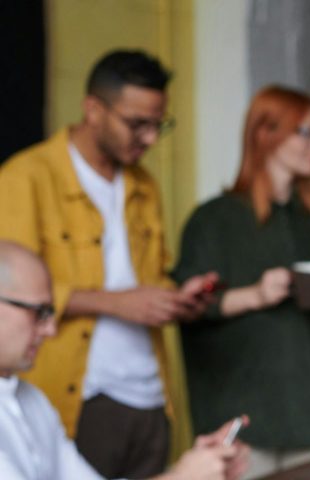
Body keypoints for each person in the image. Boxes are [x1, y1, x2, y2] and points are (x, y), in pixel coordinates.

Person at [0, 49, 219, 478]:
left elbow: (148, 278)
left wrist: (175, 301)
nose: (151, 138)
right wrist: (117, 303)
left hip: (150, 393)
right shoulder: (25, 178)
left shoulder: (144, 186)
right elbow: (14, 286)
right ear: (93, 110)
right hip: (81, 394)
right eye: (138, 123)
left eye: (159, 124)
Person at [171, 85, 310, 478]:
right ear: (264, 134)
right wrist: (255, 294)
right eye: (305, 132)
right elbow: (186, 305)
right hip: (249, 424)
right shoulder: (215, 219)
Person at [0, 240, 249, 480]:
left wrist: (200, 468)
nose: (50, 330)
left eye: (51, 313)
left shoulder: (34, 403)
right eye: (39, 313)